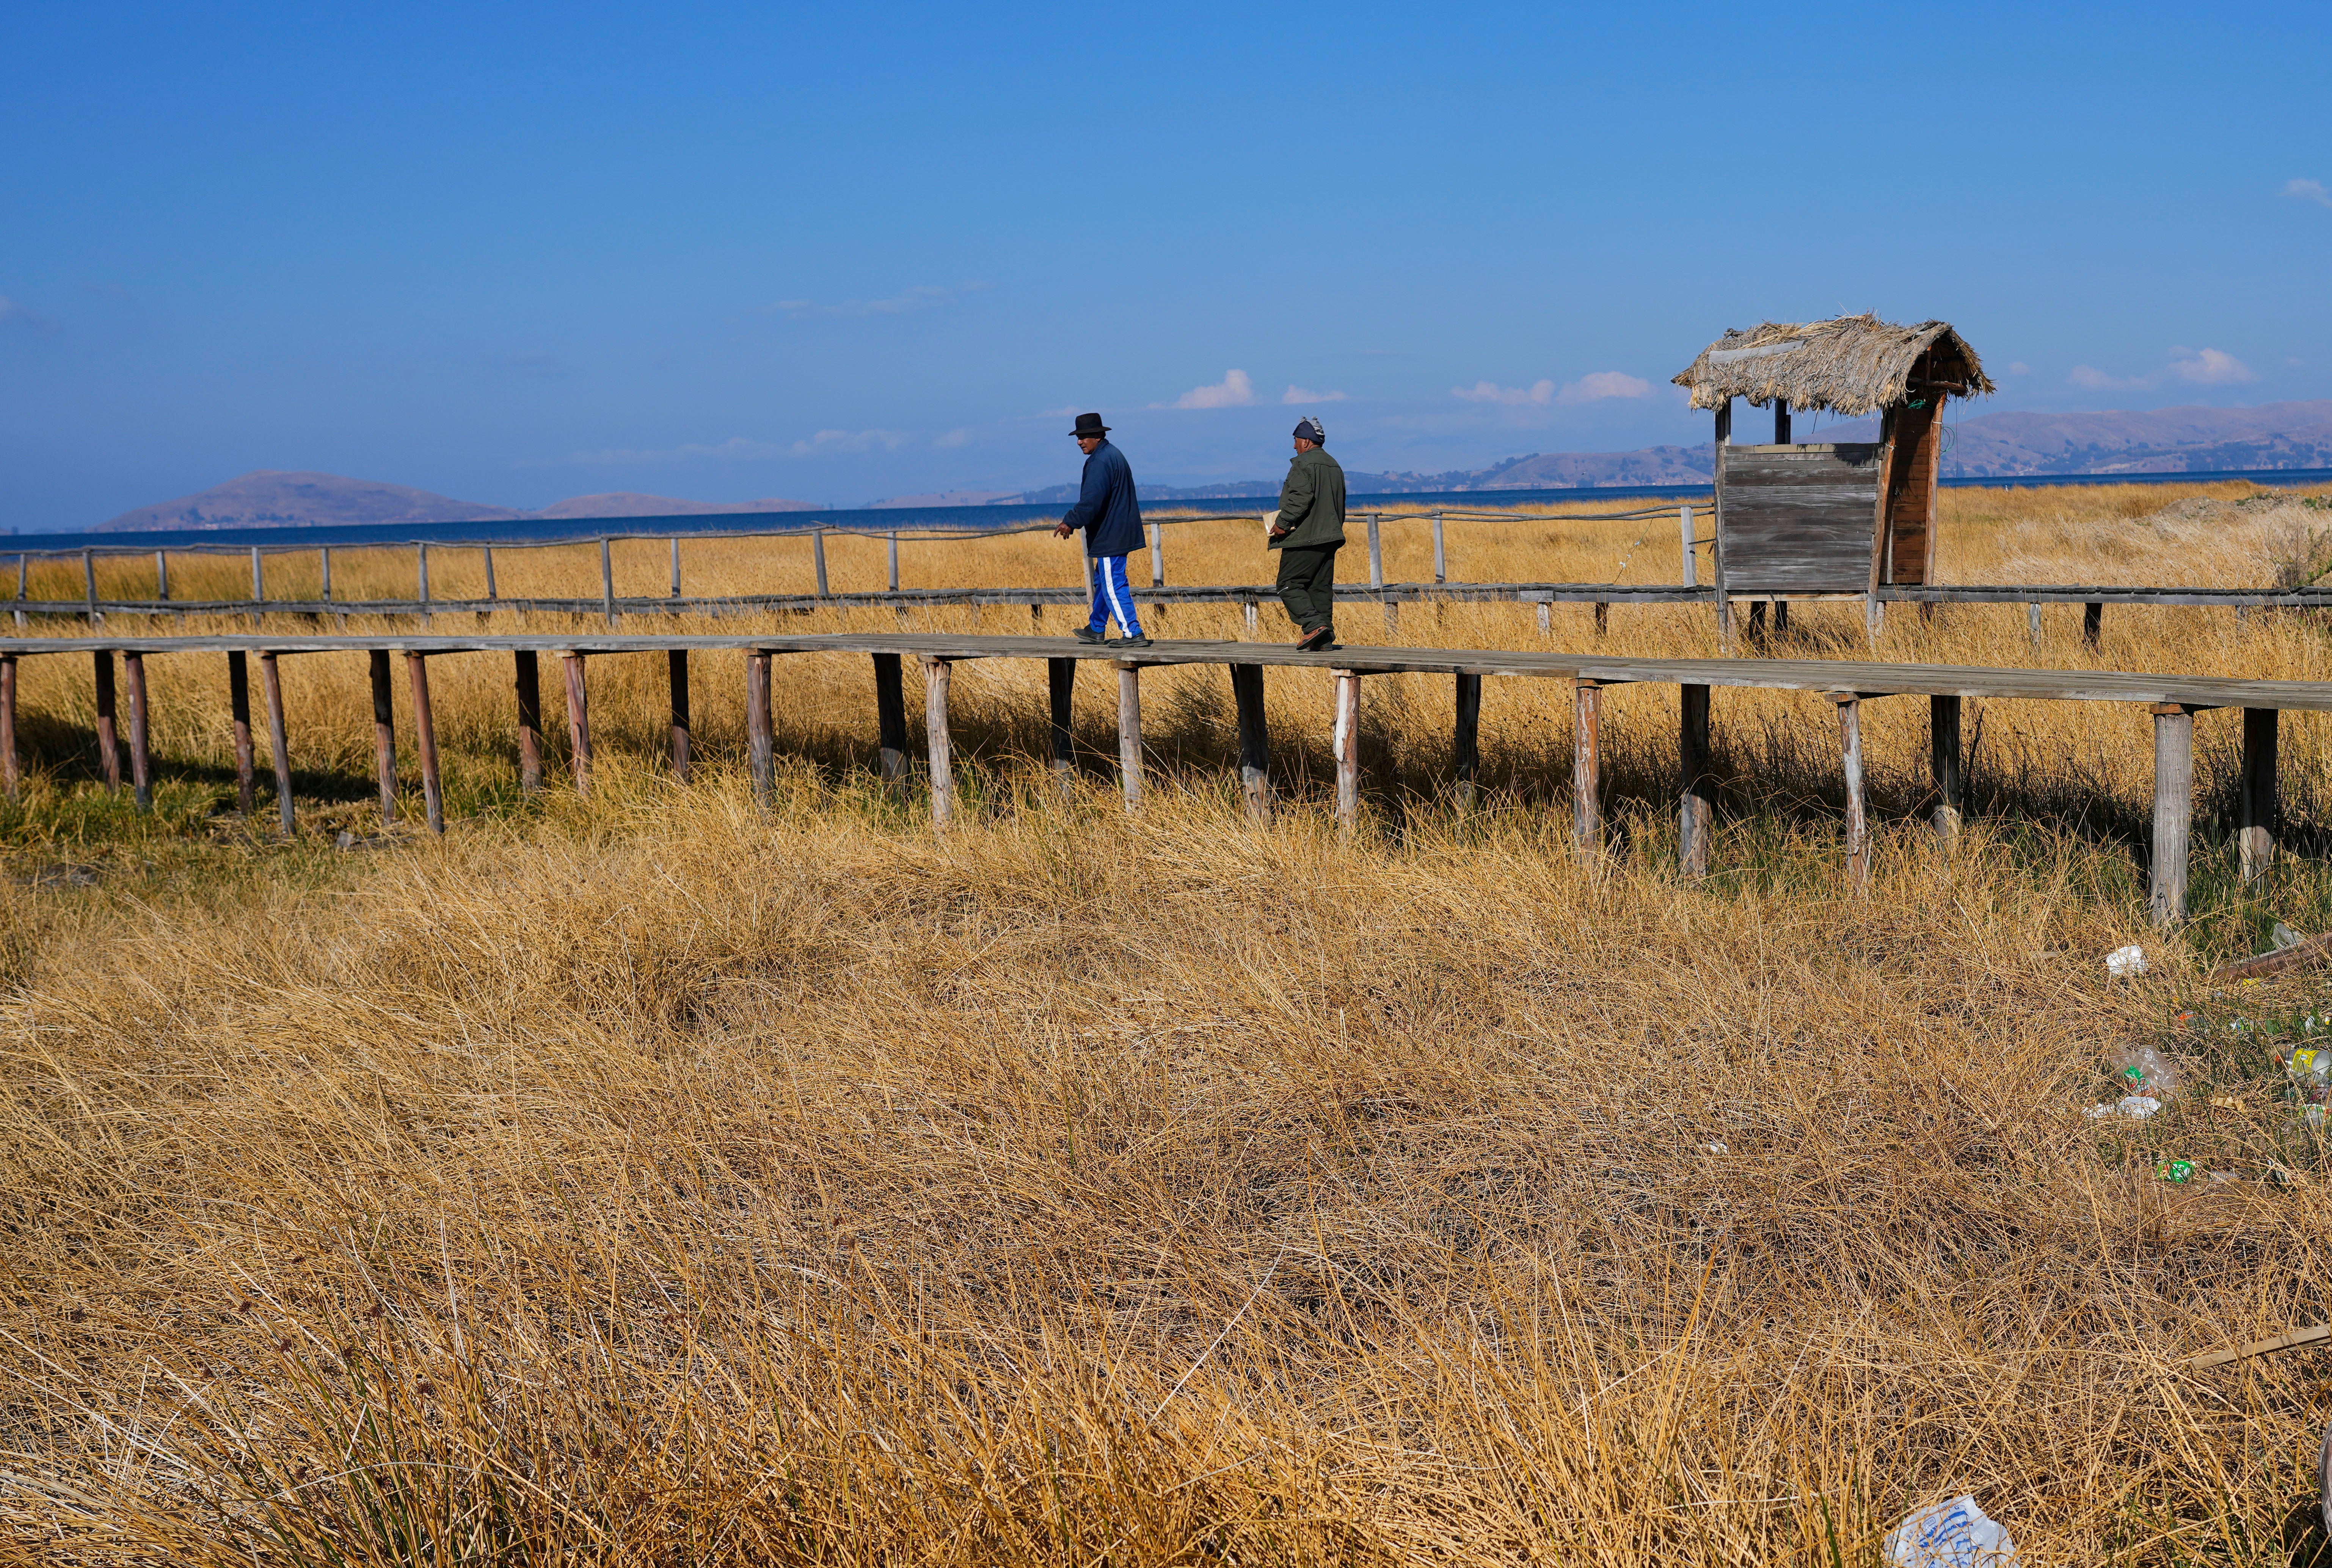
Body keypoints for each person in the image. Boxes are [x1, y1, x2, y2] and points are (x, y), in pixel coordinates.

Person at [1053, 412, 1149, 648]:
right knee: (1104, 581)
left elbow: (1092, 501)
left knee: (1113, 583)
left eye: (1083, 437)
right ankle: (1096, 629)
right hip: (1118, 531)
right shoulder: (1112, 454)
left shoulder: (1100, 462)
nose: (1079, 442)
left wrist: (1070, 521)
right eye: (1078, 437)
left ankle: (1132, 633)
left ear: (1098, 436)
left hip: (1111, 535)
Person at [1268, 414, 1345, 650]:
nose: (1294, 446)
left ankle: (1313, 626)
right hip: (1330, 536)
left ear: (1306, 441)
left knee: (1288, 584)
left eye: (1295, 440)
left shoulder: (1303, 464)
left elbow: (1300, 498)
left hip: (1305, 537)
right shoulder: (1334, 465)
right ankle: (1325, 639)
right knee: (1319, 588)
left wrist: (1282, 523)